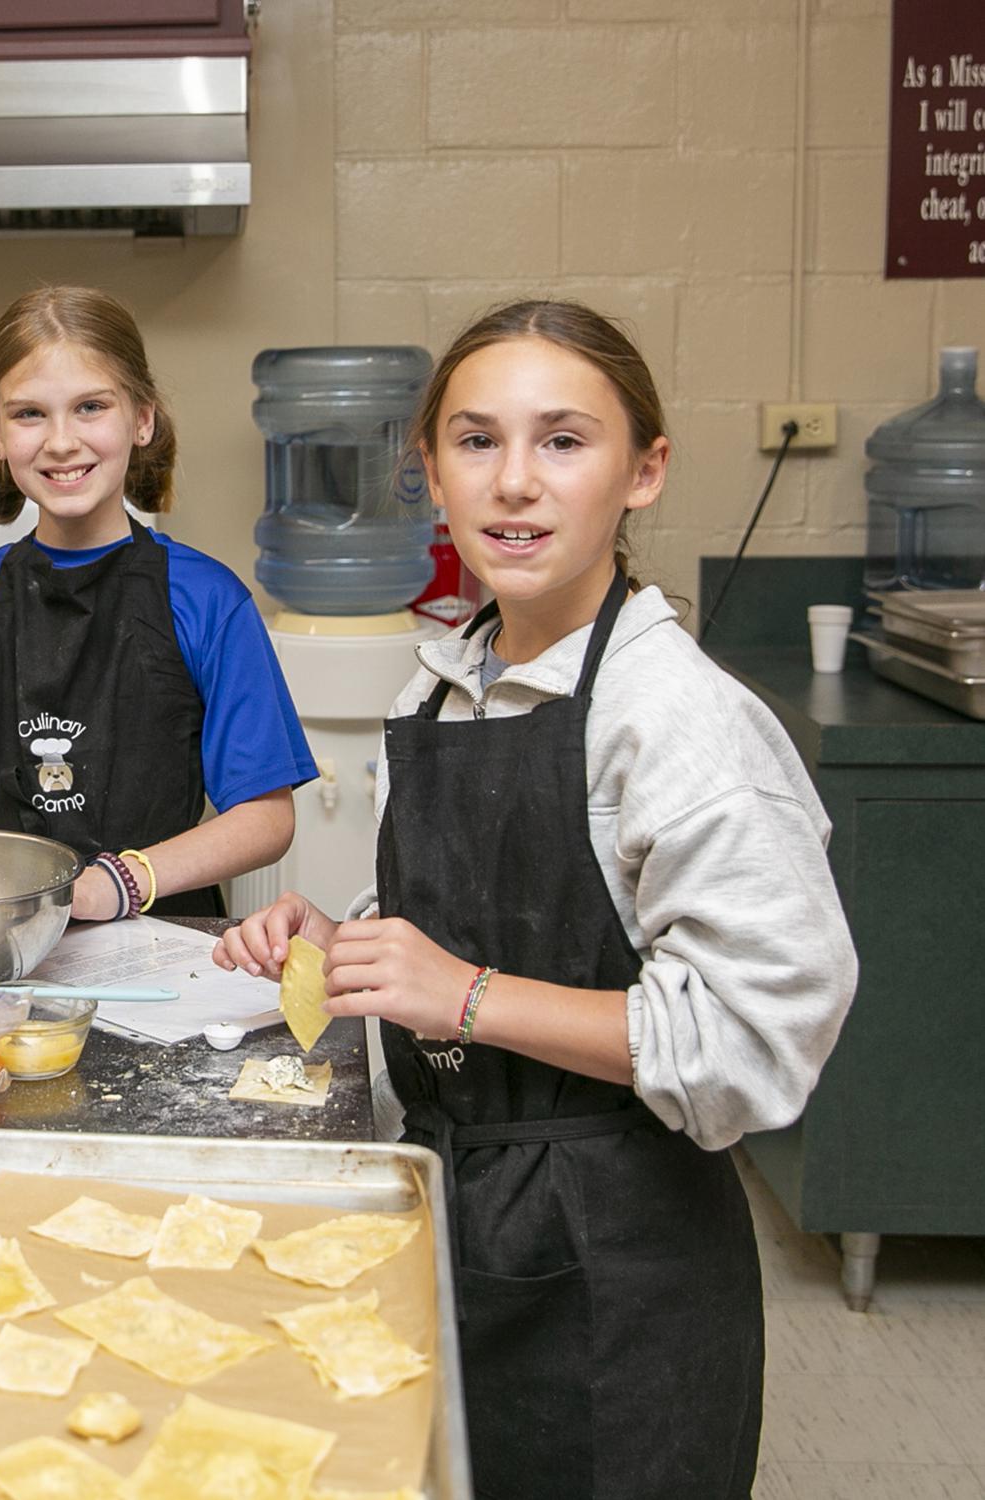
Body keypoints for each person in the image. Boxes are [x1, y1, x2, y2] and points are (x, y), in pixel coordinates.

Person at [215, 300, 856, 1498]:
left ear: (645, 470)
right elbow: (489, 903)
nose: (514, 484)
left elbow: (751, 1046)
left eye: (563, 441)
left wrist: (460, 996)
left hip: (620, 1261)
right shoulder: (457, 672)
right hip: (468, 1209)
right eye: (475, 441)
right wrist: (347, 936)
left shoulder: (680, 721)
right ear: (430, 471)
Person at [0, 286, 316, 919]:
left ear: (141, 419)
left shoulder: (208, 599)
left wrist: (113, 884)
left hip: (171, 936)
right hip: (6, 943)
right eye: (29, 414)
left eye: (91, 406)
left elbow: (265, 817)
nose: (61, 441)